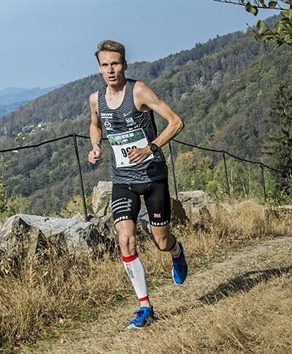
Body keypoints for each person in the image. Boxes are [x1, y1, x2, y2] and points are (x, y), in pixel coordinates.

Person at [87, 40, 188, 329]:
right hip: (123, 180)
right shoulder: (96, 99)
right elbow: (95, 124)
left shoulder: (139, 91)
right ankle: (145, 307)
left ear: (125, 64)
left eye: (115, 63)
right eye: (105, 65)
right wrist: (96, 147)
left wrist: (150, 148)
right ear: (99, 68)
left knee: (161, 241)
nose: (110, 70)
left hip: (153, 177)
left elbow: (176, 122)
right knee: (125, 239)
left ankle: (177, 252)